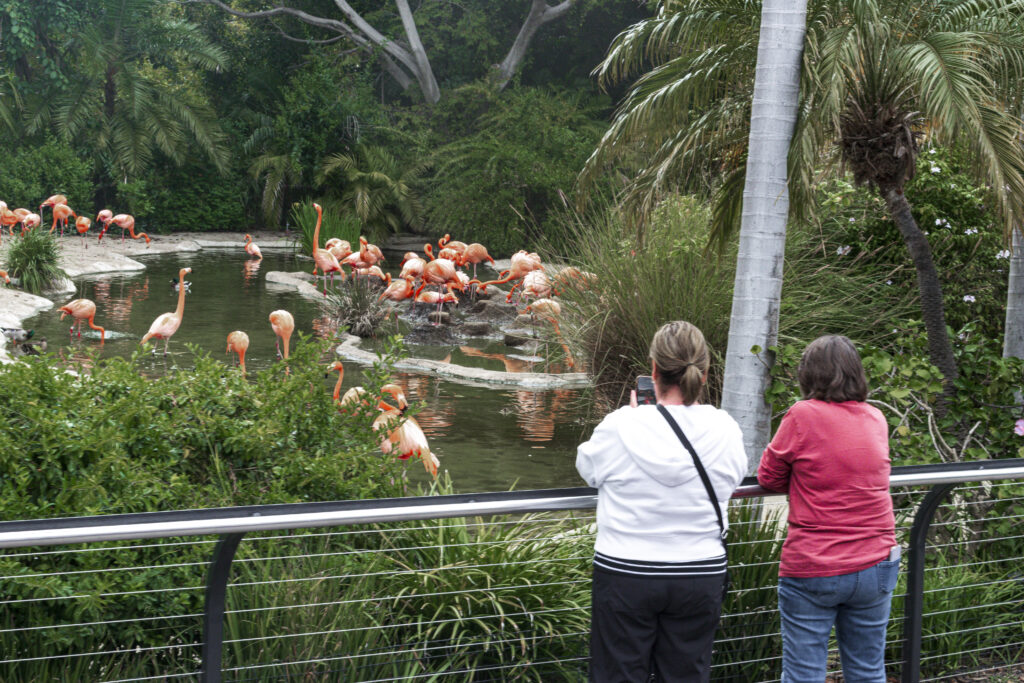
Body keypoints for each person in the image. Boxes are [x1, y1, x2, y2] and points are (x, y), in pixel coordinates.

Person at [576, 320, 747, 682]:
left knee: (616, 675)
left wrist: (635, 417)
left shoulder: (620, 425)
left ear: (653, 371)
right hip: (699, 573)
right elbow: (732, 480)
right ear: (704, 373)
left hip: (626, 570)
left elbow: (588, 469)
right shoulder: (726, 428)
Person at [757, 335, 898, 682]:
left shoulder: (803, 414)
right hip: (877, 561)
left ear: (809, 374)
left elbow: (768, 475)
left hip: (816, 564)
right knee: (868, 672)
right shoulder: (875, 417)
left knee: (804, 675)